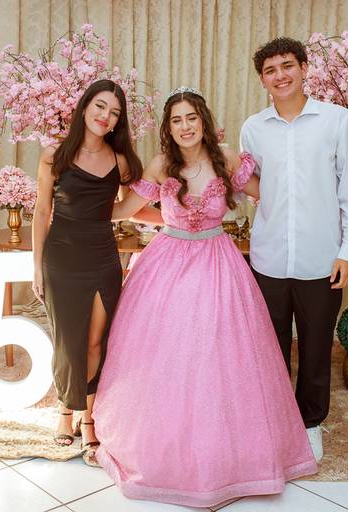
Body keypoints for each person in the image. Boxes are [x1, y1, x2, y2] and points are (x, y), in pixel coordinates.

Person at [92, 87, 317, 508]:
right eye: (176, 120)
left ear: (204, 121)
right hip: (167, 262)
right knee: (167, 353)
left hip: (217, 261)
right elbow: (124, 210)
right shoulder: (161, 165)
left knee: (221, 353)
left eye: (191, 118)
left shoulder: (227, 160)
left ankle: (231, 454)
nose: (185, 127)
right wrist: (78, 193)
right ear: (168, 128)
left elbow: (269, 194)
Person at [240, 37, 348, 462]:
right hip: (269, 257)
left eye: (287, 66)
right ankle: (276, 423)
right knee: (270, 347)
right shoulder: (253, 128)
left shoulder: (337, 121)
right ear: (263, 80)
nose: (280, 75)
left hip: (321, 258)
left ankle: (311, 423)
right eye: (270, 70)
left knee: (315, 347)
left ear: (304, 68)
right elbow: (252, 184)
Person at [32, 79, 143, 466]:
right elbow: (41, 212)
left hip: (102, 259)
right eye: (100, 106)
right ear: (84, 108)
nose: (105, 116)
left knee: (96, 343)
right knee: (67, 343)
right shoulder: (54, 156)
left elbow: (131, 206)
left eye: (114, 112)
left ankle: (89, 418)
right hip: (61, 259)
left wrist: (178, 214)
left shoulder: (121, 161)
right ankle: (65, 410)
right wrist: (36, 267)